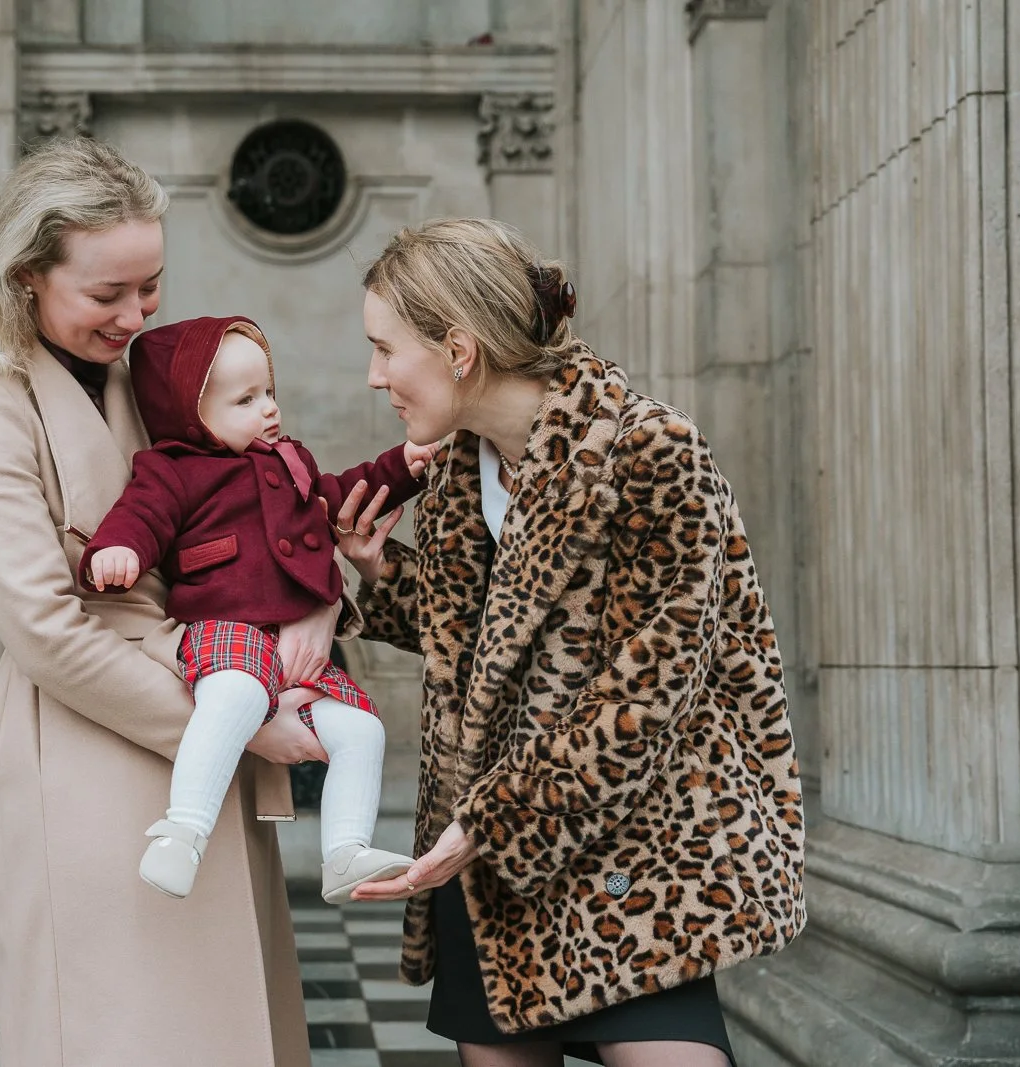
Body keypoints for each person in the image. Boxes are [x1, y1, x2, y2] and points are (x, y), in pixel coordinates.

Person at [331, 218, 807, 1067]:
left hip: (629, 852)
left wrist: (487, 821)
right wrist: (381, 572)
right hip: (490, 873)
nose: (375, 378)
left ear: (460, 349)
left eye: (384, 349)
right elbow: (479, 646)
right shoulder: (451, 474)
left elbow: (645, 694)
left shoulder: (649, 452)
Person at [0, 138, 330, 1067]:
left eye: (151, 286)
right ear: (26, 275)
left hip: (211, 713)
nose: (137, 314)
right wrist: (237, 728)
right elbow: (47, 633)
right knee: (127, 1033)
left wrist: (314, 612)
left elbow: (254, 519)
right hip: (95, 744)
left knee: (225, 1029)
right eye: (108, 294)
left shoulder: (157, 380)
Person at [79, 315, 431, 903]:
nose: (268, 409)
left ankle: (344, 850)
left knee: (362, 729)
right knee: (236, 694)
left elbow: (343, 494)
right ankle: (183, 830)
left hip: (287, 648)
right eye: (245, 399)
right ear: (190, 413)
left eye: (269, 391)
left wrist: (402, 466)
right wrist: (117, 550)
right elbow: (141, 516)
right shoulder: (172, 469)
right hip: (225, 630)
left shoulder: (289, 460)